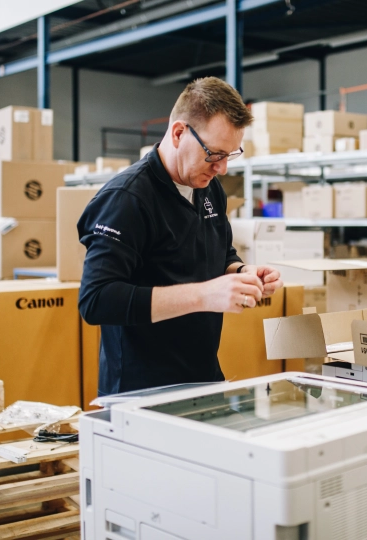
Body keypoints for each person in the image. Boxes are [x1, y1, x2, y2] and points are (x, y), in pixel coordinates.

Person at [78, 77, 284, 396]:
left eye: (232, 154)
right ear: (178, 133)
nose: (223, 168)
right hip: (141, 392)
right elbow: (96, 300)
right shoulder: (127, 199)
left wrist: (242, 273)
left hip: (200, 379)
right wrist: (205, 295)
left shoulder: (209, 188)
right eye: (215, 154)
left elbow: (221, 254)